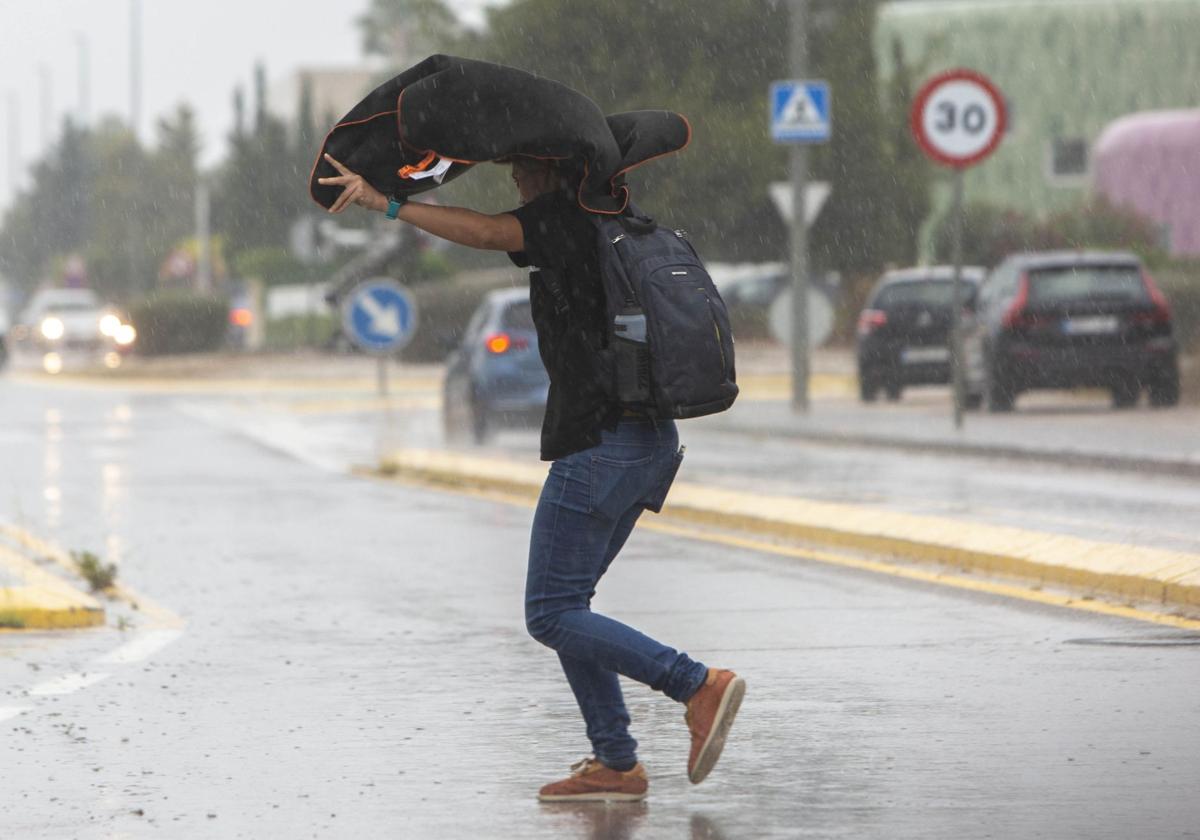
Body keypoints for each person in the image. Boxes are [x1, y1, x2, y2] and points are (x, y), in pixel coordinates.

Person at [319, 153, 745, 802]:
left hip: (598, 444)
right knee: (572, 604)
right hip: (651, 440)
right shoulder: (622, 222)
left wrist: (388, 204)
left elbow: (485, 231)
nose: (516, 182)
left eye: (523, 171)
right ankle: (616, 758)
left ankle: (695, 684)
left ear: (553, 173)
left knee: (550, 613)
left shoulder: (565, 222)